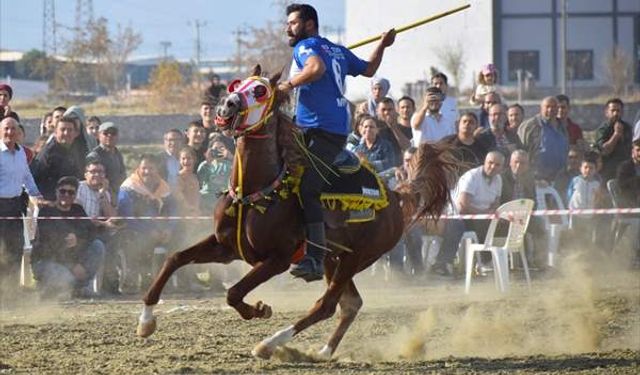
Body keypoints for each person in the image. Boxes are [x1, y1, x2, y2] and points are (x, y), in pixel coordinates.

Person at [277, 3, 396, 281]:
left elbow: (316, 69)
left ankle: (316, 258)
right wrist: (382, 44)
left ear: (308, 25)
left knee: (309, 189)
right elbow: (368, 69)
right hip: (316, 129)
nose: (287, 28)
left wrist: (288, 85)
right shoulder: (337, 50)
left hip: (322, 130)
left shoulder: (305, 47)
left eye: (292, 23)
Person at [31, 176, 105, 299]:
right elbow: (50, 244)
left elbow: (91, 232)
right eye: (62, 191)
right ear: (56, 192)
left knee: (97, 246)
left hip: (73, 258)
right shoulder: (47, 212)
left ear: (75, 195)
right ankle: (49, 288)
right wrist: (72, 265)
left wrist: (78, 238)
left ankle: (80, 288)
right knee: (67, 279)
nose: (66, 195)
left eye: (71, 192)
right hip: (47, 260)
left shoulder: (78, 210)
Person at [117, 154, 176, 293]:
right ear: (138, 168)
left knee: (182, 236)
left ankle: (170, 280)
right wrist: (149, 231)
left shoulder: (163, 186)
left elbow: (174, 209)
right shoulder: (129, 187)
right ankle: (132, 280)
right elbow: (127, 217)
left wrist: (169, 229)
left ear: (157, 170)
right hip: (134, 229)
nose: (147, 172)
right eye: (144, 168)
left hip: (159, 229)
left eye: (151, 168)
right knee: (135, 239)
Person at [0, 117, 43, 292]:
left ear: (19, 132)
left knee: (15, 249)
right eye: (6, 129)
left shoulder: (21, 154)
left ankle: (10, 291)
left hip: (15, 206)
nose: (10, 132)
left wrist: (36, 194)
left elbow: (27, 176)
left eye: (13, 129)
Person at [31, 116, 84, 200]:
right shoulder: (49, 153)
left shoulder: (74, 150)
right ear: (55, 132)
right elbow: (36, 179)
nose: (66, 133)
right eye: (62, 129)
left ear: (76, 133)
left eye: (70, 130)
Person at [518, 96, 568, 184]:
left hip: (559, 179)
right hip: (537, 179)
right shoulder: (530, 126)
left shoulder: (562, 127)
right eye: (547, 107)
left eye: (553, 107)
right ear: (541, 108)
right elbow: (520, 151)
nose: (550, 110)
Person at [567, 155, 603, 250]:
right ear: (580, 168)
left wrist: (595, 209)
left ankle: (586, 258)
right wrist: (571, 208)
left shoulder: (597, 184)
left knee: (587, 238)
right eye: (585, 167)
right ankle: (573, 257)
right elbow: (569, 194)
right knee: (574, 237)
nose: (588, 170)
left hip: (589, 216)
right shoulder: (575, 180)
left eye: (591, 168)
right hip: (576, 215)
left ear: (595, 170)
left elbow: (598, 199)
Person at [594, 98, 633, 181]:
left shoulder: (627, 128)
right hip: (608, 171)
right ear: (607, 112)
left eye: (618, 111)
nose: (615, 113)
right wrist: (616, 135)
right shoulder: (603, 129)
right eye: (613, 110)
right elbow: (604, 150)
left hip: (625, 171)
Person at [86, 122, 127, 200]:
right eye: (105, 133)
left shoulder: (117, 154)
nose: (109, 136)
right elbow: (95, 181)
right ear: (98, 136)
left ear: (117, 136)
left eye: (113, 133)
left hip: (118, 196)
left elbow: (123, 175)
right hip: (99, 197)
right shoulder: (94, 156)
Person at [198, 133, 234, 213]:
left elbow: (239, 173)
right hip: (206, 197)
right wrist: (208, 162)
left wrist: (232, 158)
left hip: (223, 198)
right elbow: (200, 180)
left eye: (221, 148)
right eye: (215, 148)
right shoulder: (205, 164)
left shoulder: (230, 165)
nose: (218, 151)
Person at [376, 97, 410, 166]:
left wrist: (393, 127)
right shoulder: (371, 127)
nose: (387, 112)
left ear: (395, 111)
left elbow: (408, 148)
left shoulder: (402, 128)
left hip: (397, 169)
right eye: (383, 110)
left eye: (390, 110)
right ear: (377, 111)